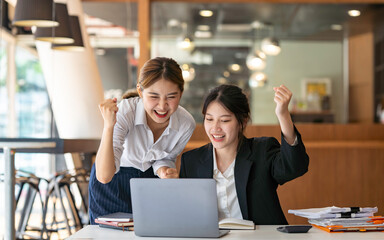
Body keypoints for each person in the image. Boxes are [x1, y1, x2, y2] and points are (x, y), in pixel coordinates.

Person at [179, 84, 309, 225]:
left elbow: (295, 167)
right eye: (209, 119)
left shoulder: (262, 151)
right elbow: (186, 216)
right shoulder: (191, 161)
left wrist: (283, 114)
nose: (215, 128)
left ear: (243, 121)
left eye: (224, 120)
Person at [89, 57, 196, 224]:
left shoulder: (186, 124)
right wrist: (108, 126)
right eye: (154, 96)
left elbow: (166, 158)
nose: (162, 106)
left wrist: (164, 170)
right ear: (140, 91)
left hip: (151, 184)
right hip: (113, 181)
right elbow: (104, 176)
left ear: (181, 93)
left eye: (171, 97)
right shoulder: (125, 112)